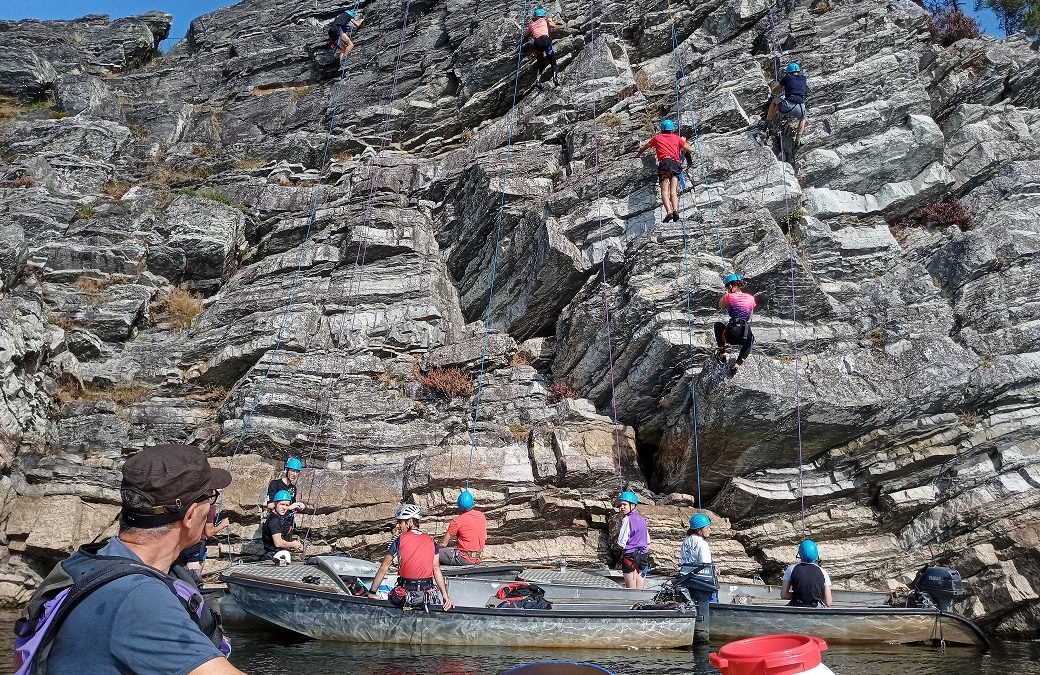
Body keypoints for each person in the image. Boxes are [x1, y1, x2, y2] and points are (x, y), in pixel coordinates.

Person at [14, 444, 242, 675]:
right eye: (211, 498)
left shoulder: (88, 564)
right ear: (191, 515)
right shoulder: (141, 599)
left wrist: (195, 533)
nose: (213, 510)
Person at [368, 504, 454, 610]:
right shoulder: (431, 541)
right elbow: (436, 569)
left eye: (400, 522)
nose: (397, 526)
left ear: (409, 522)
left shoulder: (398, 540)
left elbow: (383, 568)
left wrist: (372, 592)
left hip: (405, 597)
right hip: (426, 597)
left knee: (390, 594)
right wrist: (445, 596)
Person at [635, 119, 695, 223]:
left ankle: (669, 212)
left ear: (662, 129)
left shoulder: (657, 138)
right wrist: (683, 141)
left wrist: (638, 154)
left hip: (665, 163)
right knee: (673, 191)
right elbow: (690, 150)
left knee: (664, 190)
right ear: (672, 130)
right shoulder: (677, 138)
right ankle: (676, 210)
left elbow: (646, 147)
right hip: (676, 164)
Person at [679, 513, 716, 643]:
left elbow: (684, 561)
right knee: (709, 605)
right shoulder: (702, 544)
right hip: (703, 582)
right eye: (707, 527)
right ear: (700, 529)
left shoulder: (685, 541)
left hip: (687, 580)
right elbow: (705, 564)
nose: (710, 530)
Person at [175, 501, 229, 584]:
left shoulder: (183, 501)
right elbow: (209, 532)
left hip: (179, 544)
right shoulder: (209, 507)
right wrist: (222, 525)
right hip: (196, 546)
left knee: (174, 576)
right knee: (192, 580)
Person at [714, 273, 756, 375]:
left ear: (730, 286)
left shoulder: (728, 296)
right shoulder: (751, 298)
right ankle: (737, 364)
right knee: (751, 340)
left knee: (718, 326)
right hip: (745, 333)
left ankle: (722, 353)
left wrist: (726, 294)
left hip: (731, 334)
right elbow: (750, 317)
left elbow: (720, 305)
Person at [439, 490, 487, 566]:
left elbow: (444, 544)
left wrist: (434, 545)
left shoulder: (457, 521)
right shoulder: (481, 516)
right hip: (477, 557)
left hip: (464, 558)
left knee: (433, 552)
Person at [780, 539, 833, 608]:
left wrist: (797, 595)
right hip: (815, 606)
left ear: (800, 553)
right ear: (816, 554)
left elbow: (784, 595)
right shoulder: (823, 572)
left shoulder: (791, 569)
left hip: (796, 604)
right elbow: (828, 602)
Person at [616, 490, 650, 589]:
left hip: (629, 556)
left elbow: (622, 541)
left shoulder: (626, 519)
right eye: (620, 505)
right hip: (643, 557)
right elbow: (648, 540)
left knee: (630, 590)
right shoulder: (643, 519)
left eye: (624, 504)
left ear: (632, 505)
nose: (621, 507)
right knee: (640, 587)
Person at [765, 62, 808, 139]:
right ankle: (798, 140)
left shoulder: (787, 77)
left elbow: (776, 89)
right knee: (803, 119)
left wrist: (772, 90)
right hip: (800, 108)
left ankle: (766, 123)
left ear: (788, 72)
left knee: (775, 101)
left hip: (787, 107)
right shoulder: (803, 79)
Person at [262, 490, 304, 560]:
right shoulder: (274, 520)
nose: (284, 508)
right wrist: (293, 544)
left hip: (276, 555)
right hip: (272, 557)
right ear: (275, 504)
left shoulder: (277, 518)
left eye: (287, 505)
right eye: (282, 504)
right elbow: (278, 543)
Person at [525, 7, 560, 88]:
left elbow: (525, 35)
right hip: (546, 40)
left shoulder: (531, 25)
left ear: (535, 16)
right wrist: (550, 20)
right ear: (543, 16)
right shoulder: (545, 20)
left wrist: (531, 33)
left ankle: (538, 81)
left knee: (541, 63)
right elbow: (553, 25)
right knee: (553, 61)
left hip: (537, 43)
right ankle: (555, 78)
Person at [266, 457, 306, 527]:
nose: (295, 474)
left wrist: (298, 506)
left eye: (297, 472)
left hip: (288, 523)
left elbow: (292, 505)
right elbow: (269, 505)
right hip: (276, 522)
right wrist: (289, 507)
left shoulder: (293, 488)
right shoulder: (275, 484)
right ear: (286, 470)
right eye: (292, 471)